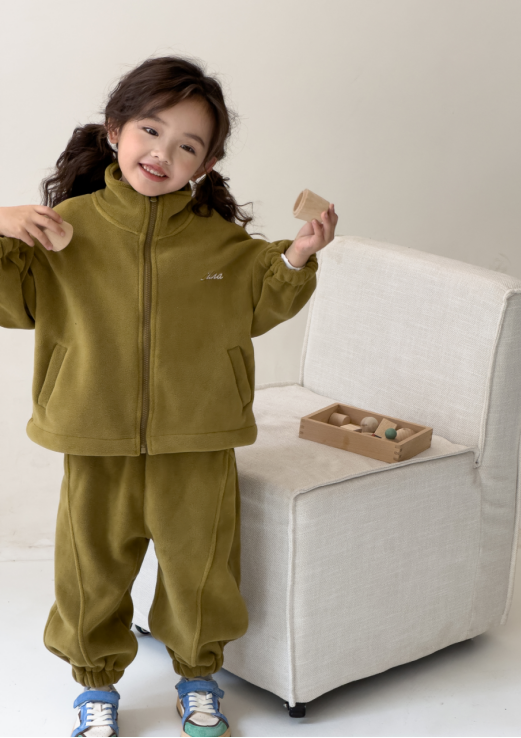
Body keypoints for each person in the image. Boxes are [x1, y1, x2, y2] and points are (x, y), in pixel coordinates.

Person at [0, 54, 338, 737]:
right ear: (115, 130)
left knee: (201, 569)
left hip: (199, 434)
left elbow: (262, 290)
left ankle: (197, 677)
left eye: (187, 146)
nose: (162, 153)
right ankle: (96, 687)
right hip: (94, 431)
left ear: (206, 164)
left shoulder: (218, 242)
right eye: (150, 131)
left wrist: (299, 254)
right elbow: (14, 301)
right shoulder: (65, 226)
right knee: (90, 569)